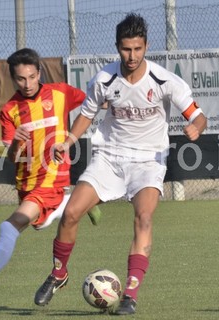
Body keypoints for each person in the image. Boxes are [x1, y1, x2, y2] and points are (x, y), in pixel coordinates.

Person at [34, 13, 207, 315]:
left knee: (144, 217)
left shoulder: (164, 80)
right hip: (109, 158)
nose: (132, 56)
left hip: (148, 162)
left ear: (146, 46)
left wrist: (197, 127)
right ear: (117, 47)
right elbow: (87, 115)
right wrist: (68, 141)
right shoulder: (104, 79)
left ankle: (130, 294)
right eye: (126, 49)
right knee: (72, 212)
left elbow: (197, 115)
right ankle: (59, 274)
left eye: (138, 49)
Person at [0, 47, 102, 306]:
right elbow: (12, 157)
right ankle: (78, 203)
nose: (27, 83)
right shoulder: (10, 110)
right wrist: (16, 144)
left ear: (39, 73)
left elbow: (93, 103)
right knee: (40, 224)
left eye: (32, 77)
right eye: (21, 79)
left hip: (52, 179)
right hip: (27, 184)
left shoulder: (60, 92)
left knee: (9, 227)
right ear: (13, 79)